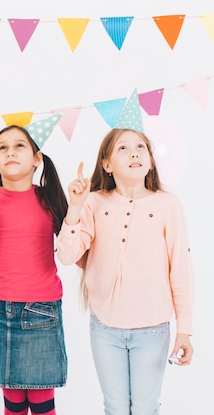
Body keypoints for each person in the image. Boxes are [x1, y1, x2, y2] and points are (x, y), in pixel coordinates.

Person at [56, 128, 194, 415]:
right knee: (115, 407)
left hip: (153, 329)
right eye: (123, 148)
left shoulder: (168, 205)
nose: (134, 152)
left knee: (144, 408)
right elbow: (68, 256)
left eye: (141, 147)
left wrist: (185, 331)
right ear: (107, 165)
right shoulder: (94, 202)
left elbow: (181, 269)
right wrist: (75, 208)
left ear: (151, 161)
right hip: (104, 328)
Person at [0, 125, 69, 415]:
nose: (10, 151)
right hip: (0, 310)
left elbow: (72, 251)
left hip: (42, 310)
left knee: (42, 402)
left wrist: (79, 205)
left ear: (36, 158)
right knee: (14, 402)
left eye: (19, 145)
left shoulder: (49, 199)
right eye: (3, 147)